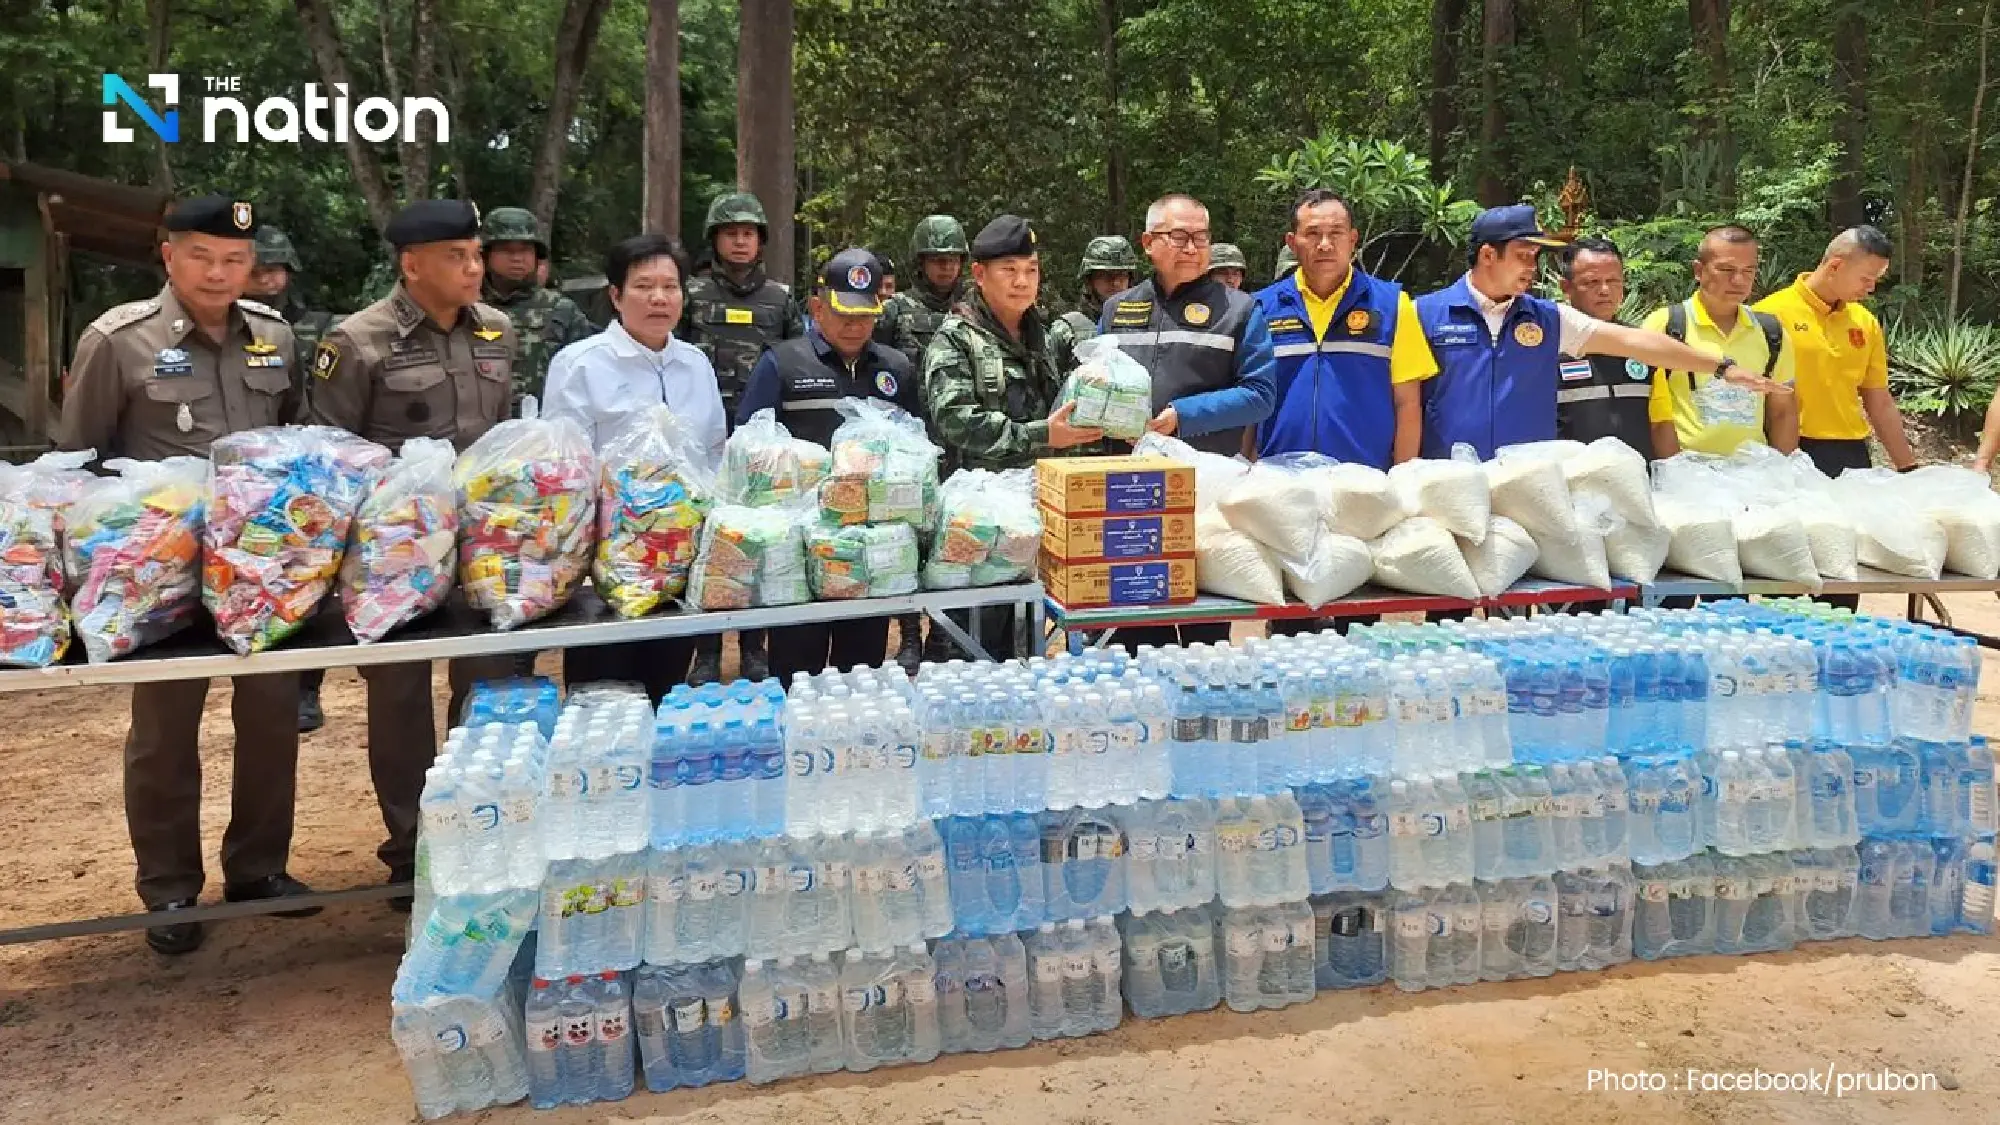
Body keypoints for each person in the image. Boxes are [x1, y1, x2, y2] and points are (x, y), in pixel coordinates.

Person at [57, 195, 314, 954]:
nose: (219, 272)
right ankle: (168, 889)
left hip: (260, 576)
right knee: (165, 732)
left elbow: (295, 441)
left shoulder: (274, 337)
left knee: (272, 722)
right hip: (157, 582)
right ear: (168, 255)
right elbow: (79, 463)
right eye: (202, 256)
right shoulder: (118, 340)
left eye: (235, 259)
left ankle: (259, 869)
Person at [305, 198, 521, 910]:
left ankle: (474, 825)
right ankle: (409, 845)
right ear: (411, 264)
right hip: (390, 559)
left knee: (488, 687)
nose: (473, 267)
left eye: (475, 252)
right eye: (457, 256)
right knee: (399, 698)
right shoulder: (357, 341)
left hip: (483, 547)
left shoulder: (498, 329)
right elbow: (328, 455)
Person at [1415, 205, 1792, 460]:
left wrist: (1722, 368)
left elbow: (1637, 342)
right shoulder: (1424, 314)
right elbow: (1404, 401)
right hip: (1447, 478)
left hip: (1527, 483)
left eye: (1536, 257)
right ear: (1487, 256)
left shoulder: (1549, 319)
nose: (1532, 268)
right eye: (1523, 256)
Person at [543, 234, 724, 700]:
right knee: (602, 700)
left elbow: (712, 453)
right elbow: (563, 469)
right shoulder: (581, 364)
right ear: (616, 296)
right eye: (644, 286)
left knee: (667, 689)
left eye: (670, 286)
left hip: (678, 563)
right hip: (606, 573)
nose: (659, 298)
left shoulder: (696, 364)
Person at [1097, 193, 1277, 649]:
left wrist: (1183, 417)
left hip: (1207, 498)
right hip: (1131, 495)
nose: (1193, 247)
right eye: (1179, 236)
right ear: (1148, 242)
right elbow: (1094, 380)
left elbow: (1261, 395)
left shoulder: (1239, 310)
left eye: (1201, 237)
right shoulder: (1117, 309)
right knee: (1134, 630)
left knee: (1204, 634)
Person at [738, 248, 926, 680]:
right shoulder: (782, 363)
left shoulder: (895, 368)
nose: (854, 324)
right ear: (818, 306)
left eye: (865, 314)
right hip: (796, 557)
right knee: (796, 677)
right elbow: (748, 448)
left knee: (861, 678)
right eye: (843, 313)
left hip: (868, 556)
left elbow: (917, 446)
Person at [924, 214, 1105, 658]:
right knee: (969, 647)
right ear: (980, 275)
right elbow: (956, 420)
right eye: (1010, 271)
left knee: (1025, 647)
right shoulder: (956, 341)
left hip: (1034, 515)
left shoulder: (1042, 334)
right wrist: (1045, 435)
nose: (1023, 282)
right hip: (976, 526)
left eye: (1031, 270)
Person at [681, 190, 804, 684]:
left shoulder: (780, 299)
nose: (739, 241)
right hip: (703, 441)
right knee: (708, 548)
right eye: (730, 233)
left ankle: (755, 645)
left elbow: (798, 360)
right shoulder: (690, 295)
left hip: (761, 448)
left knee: (757, 543)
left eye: (747, 234)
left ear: (760, 242)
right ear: (714, 239)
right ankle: (706, 649)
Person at [1255, 188, 1436, 466]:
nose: (1325, 244)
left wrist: (1403, 478)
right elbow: (1252, 399)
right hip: (1279, 479)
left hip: (1365, 483)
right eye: (1313, 234)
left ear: (1353, 240)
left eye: (1336, 233)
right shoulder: (1262, 308)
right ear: (1292, 242)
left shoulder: (1393, 305)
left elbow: (1408, 403)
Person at [247, 224, 343, 732]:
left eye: (277, 269)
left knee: (304, 582)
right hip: (244, 478)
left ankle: (306, 688)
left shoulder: (322, 327)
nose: (269, 279)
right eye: (259, 269)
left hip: (305, 472)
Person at [1757, 225, 1916, 476]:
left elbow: (1880, 401)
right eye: (1866, 278)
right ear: (1835, 266)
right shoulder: (1768, 314)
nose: (1871, 288)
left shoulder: (1865, 322)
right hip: (1786, 449)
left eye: (1876, 280)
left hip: (1851, 452)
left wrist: (1909, 468)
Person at [1646, 225, 1800, 458]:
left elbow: (1783, 411)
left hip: (1754, 473)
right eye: (1726, 269)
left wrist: (1784, 471)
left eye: (1748, 271)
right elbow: (1652, 411)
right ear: (1698, 270)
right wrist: (1672, 472)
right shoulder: (1666, 325)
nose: (1738, 280)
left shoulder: (1771, 332)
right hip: (1688, 473)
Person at [479, 206, 597, 411]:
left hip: (544, 429)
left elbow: (589, 377)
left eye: (525, 250)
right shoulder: (465, 308)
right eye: (507, 250)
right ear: (486, 256)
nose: (517, 258)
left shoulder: (562, 310)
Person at [1553, 237, 1658, 454]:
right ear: (1566, 287)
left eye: (1613, 281)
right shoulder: (1548, 347)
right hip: (1573, 480)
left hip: (1637, 479)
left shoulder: (1642, 345)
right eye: (1592, 282)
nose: (1604, 290)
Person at [877, 215, 970, 372]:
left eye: (953, 259)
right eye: (937, 260)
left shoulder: (974, 310)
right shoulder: (894, 309)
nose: (947, 267)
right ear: (921, 263)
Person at [1048, 234, 1139, 374]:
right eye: (1106, 276)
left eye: (1122, 275)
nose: (1115, 283)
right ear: (1089, 280)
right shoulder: (1066, 330)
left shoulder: (1143, 327)